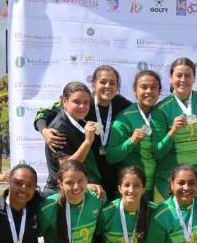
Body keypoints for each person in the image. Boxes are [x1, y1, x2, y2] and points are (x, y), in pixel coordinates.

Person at [36, 66, 131, 199]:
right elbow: (44, 112)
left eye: (112, 82)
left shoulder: (121, 103)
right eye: (103, 82)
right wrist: (43, 129)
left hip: (110, 172)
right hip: (85, 178)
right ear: (93, 84)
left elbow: (139, 112)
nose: (108, 86)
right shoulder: (84, 101)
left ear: (117, 86)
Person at [151, 57, 197, 198]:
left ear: (194, 78)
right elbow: (158, 153)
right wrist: (172, 132)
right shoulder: (160, 109)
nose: (183, 80)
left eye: (188, 75)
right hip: (171, 176)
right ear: (171, 78)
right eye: (179, 75)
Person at [39, 81, 104, 198]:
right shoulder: (58, 128)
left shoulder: (79, 120)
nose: (82, 106)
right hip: (60, 194)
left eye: (86, 102)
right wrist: (88, 142)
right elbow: (67, 167)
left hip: (76, 190)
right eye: (76, 102)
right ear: (64, 101)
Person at [106, 70, 162, 200]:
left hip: (158, 186)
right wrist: (131, 140)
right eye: (144, 87)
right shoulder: (124, 118)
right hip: (132, 189)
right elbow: (111, 156)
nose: (149, 91)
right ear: (134, 90)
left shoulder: (162, 113)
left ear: (159, 91)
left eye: (153, 88)